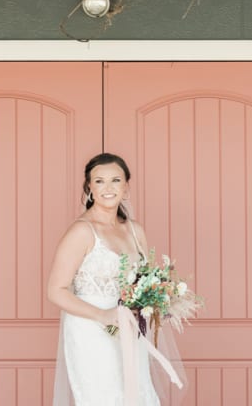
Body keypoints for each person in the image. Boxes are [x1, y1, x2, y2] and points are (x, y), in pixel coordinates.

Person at [47, 152, 161, 406]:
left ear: (126, 187)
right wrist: (103, 316)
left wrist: (152, 302)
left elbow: (145, 280)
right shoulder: (81, 231)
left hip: (130, 328)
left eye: (115, 180)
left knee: (136, 393)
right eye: (99, 181)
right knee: (104, 396)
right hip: (91, 329)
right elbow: (56, 290)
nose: (108, 188)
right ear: (89, 188)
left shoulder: (135, 229)